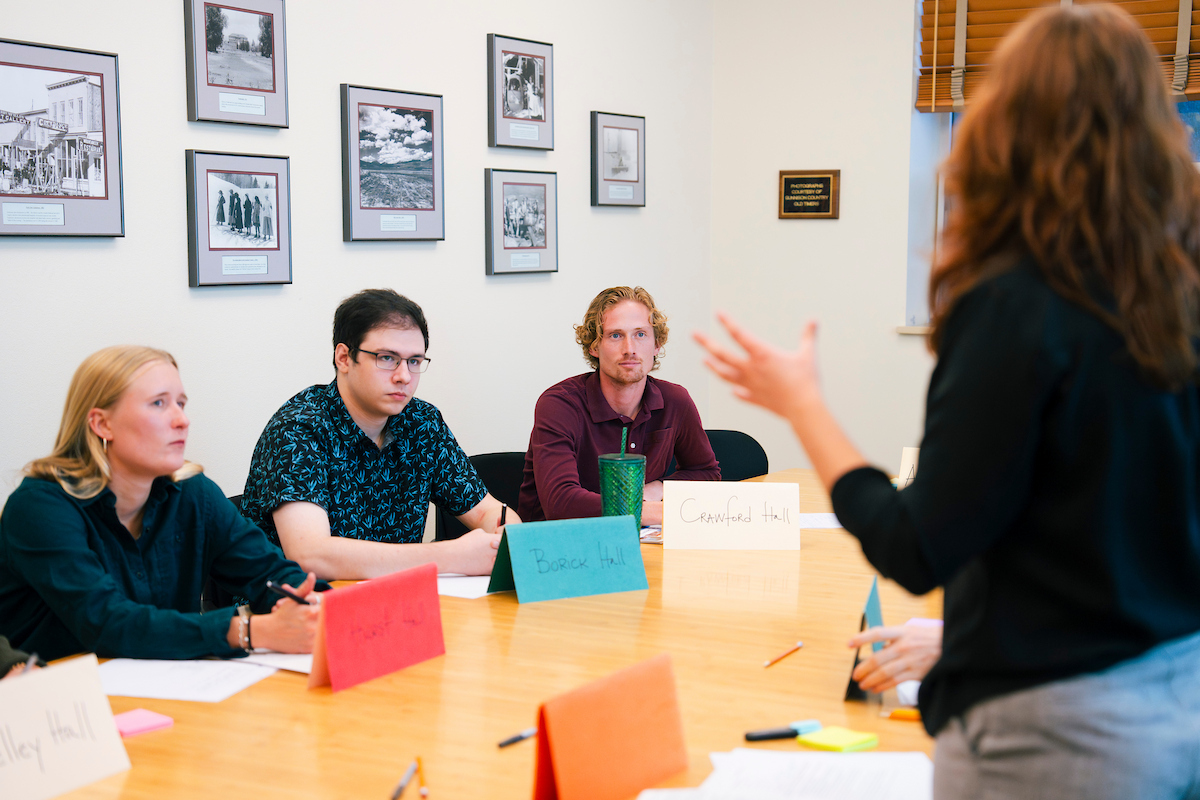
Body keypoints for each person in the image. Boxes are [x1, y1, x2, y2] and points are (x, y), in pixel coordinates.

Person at [696, 6, 1200, 797]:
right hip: (1176, 700)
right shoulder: (1178, 299)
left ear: (1003, 132)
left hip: (1056, 733)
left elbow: (917, 545)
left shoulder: (1014, 305)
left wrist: (802, 405)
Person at [0, 346, 322, 663]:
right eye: (159, 403)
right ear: (102, 424)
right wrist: (251, 631)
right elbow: (107, 624)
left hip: (168, 689)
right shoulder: (39, 508)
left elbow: (269, 573)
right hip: (61, 701)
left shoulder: (193, 492)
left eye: (181, 403)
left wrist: (312, 604)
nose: (182, 420)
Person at [241, 289, 517, 580]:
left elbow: (488, 513)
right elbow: (310, 555)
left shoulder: (421, 422)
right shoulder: (299, 429)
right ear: (344, 358)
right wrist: (451, 556)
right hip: (285, 612)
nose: (404, 376)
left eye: (414, 361)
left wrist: (506, 538)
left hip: (392, 604)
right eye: (387, 358)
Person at [519, 286, 720, 524]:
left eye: (641, 334)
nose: (630, 349)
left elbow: (706, 473)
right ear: (594, 346)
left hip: (639, 544)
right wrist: (648, 512)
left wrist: (656, 489)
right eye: (616, 335)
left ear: (657, 345)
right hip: (557, 549)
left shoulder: (675, 400)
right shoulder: (559, 405)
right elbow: (561, 503)